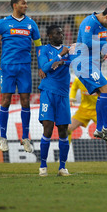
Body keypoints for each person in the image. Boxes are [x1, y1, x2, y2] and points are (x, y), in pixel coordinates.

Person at [0, 0, 43, 153]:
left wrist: (42, 64)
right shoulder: (3, 23)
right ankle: (3, 138)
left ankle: (25, 138)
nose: (26, 6)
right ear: (15, 5)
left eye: (26, 3)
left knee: (25, 101)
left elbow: (38, 46)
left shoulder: (31, 24)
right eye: (23, 3)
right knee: (6, 100)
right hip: (7, 67)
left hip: (24, 68)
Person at [72, 5, 107, 142]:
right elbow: (88, 42)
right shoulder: (89, 22)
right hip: (83, 62)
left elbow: (103, 43)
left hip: (92, 64)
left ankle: (99, 129)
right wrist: (106, 44)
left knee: (102, 93)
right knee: (106, 89)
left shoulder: (103, 27)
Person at [37, 25, 73, 177]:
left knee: (63, 130)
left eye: (61, 32)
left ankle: (62, 167)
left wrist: (62, 62)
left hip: (63, 94)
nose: (61, 34)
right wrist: (59, 57)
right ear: (50, 36)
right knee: (48, 128)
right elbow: (44, 67)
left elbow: (74, 62)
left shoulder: (68, 49)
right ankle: (43, 166)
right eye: (57, 33)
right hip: (48, 92)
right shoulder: (43, 50)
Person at [68, 76, 107, 145]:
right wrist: (71, 98)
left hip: (99, 110)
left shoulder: (102, 79)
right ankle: (64, 151)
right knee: (68, 129)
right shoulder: (79, 79)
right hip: (84, 110)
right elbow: (74, 88)